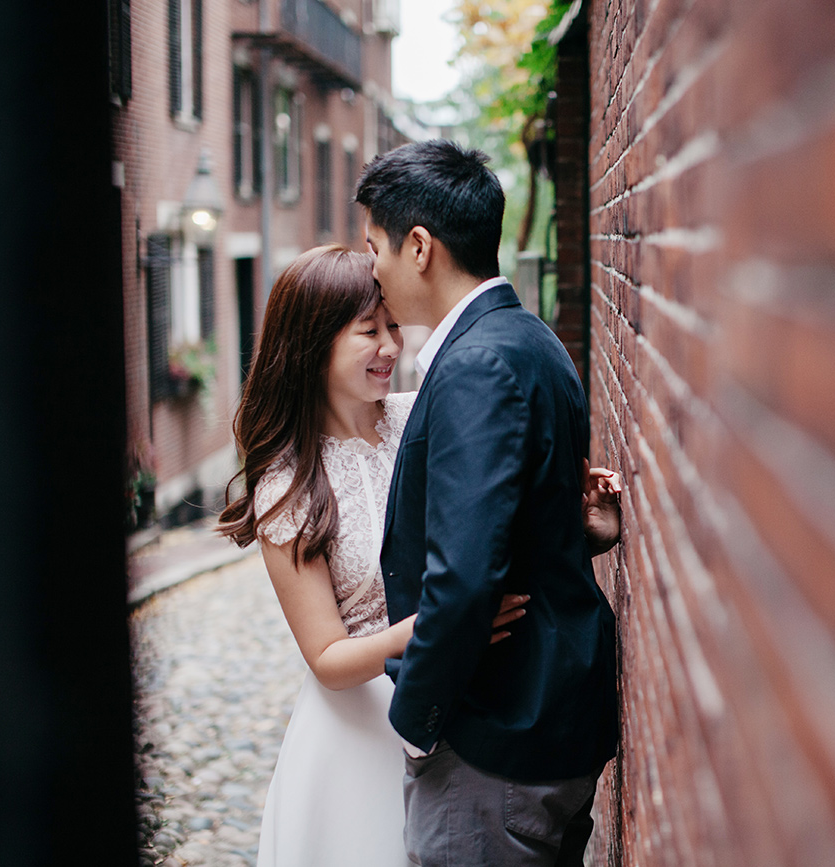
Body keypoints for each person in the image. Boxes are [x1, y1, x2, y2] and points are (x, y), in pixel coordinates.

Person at [217, 246, 621, 866]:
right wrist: (438, 628)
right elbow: (326, 657)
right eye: (369, 332)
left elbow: (485, 546)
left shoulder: (423, 415)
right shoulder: (288, 486)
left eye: (394, 327)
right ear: (312, 344)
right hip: (359, 732)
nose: (390, 347)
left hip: (461, 711)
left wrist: (579, 530)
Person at [356, 140, 620, 866]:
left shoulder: (475, 363)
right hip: (546, 717)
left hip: (497, 740)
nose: (371, 267)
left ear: (419, 247)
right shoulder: (530, 336)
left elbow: (465, 572)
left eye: (374, 245)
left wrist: (417, 723)